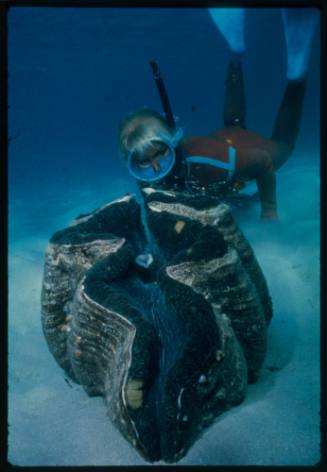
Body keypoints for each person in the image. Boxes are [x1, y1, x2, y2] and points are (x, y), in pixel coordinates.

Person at [118, 8, 318, 220]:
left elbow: (263, 161)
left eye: (161, 152)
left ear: (173, 141)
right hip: (220, 151)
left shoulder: (209, 161)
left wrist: (269, 210)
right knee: (235, 123)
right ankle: (235, 52)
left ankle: (296, 75)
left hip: (228, 152)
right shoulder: (145, 179)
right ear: (131, 164)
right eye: (144, 162)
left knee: (283, 149)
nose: (156, 167)